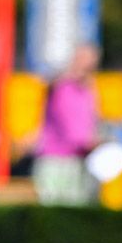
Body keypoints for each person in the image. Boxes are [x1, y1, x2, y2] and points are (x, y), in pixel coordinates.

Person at [33, 43, 101, 205]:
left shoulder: (89, 90)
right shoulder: (59, 85)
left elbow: (92, 123)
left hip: (80, 160)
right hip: (54, 159)